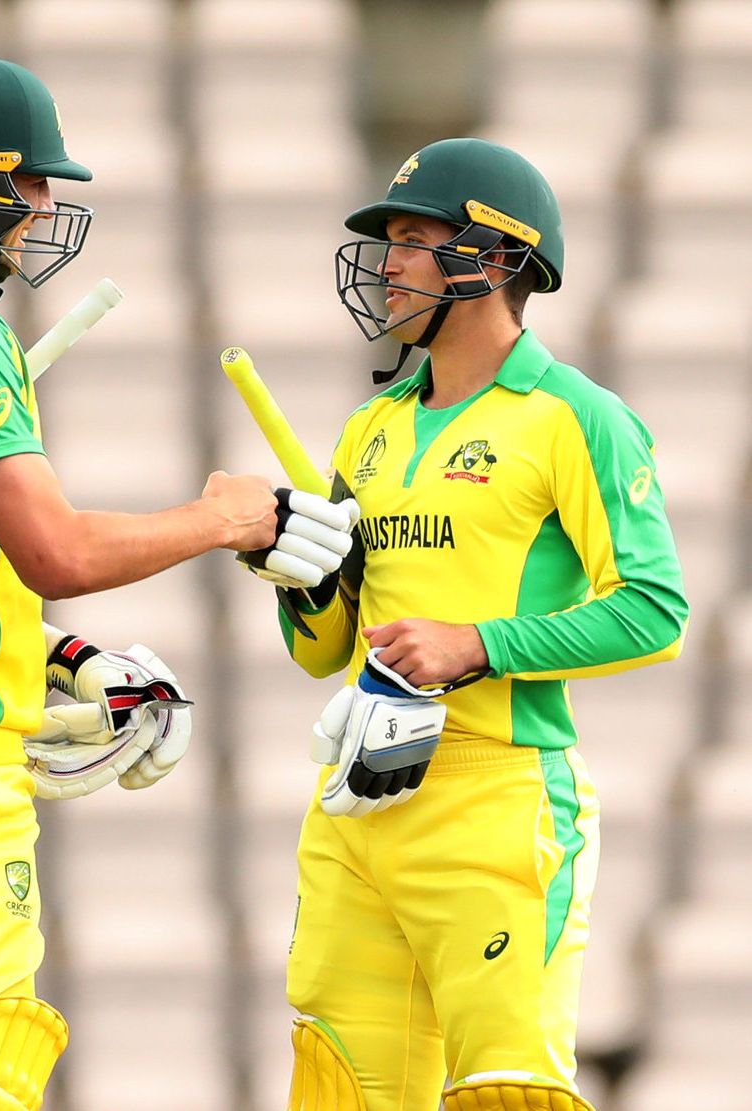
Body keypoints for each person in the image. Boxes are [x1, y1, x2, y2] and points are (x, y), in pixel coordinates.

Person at [0, 56, 357, 1111]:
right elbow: (58, 555)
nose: (44, 204)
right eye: (30, 180)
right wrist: (230, 516)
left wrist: (67, 657)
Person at [262, 138, 689, 1111]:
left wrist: (477, 643)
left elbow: (655, 610)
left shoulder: (575, 415)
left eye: (412, 239)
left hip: (498, 801)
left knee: (506, 1095)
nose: (387, 263)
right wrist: (293, 575)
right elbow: (323, 651)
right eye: (386, 240)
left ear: (493, 258)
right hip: (357, 802)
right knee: (339, 1093)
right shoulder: (369, 426)